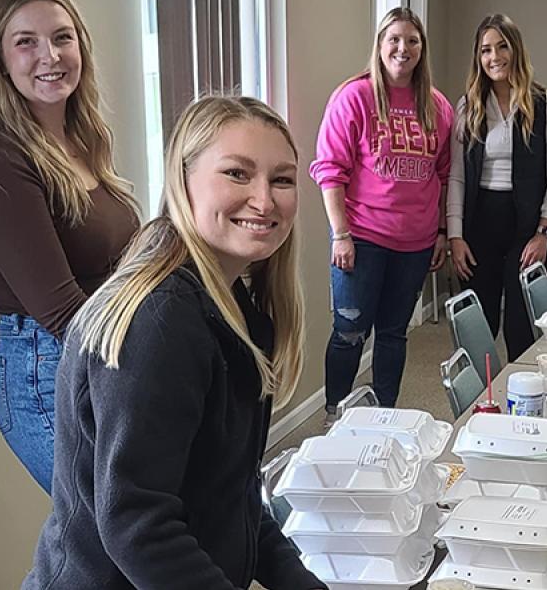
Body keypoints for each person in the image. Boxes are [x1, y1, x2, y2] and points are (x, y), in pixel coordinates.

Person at [22, 96, 324, 589]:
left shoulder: (233, 308)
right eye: (237, 173)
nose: (265, 200)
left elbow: (235, 500)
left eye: (282, 179)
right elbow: (138, 524)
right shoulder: (161, 321)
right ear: (183, 182)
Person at [0, 0, 139, 492]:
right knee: (107, 530)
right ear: (1, 59)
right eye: (26, 42)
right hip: (47, 372)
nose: (50, 56)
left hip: (100, 353)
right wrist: (155, 355)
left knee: (127, 526)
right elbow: (62, 312)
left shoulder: (82, 136)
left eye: (62, 37)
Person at [309, 7, 453, 420]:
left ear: (422, 49)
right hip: (362, 238)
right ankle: (335, 415)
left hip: (416, 242)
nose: (402, 48)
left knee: (393, 334)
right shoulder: (354, 97)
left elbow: (444, 174)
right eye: (394, 39)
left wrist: (441, 231)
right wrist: (340, 234)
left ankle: (383, 417)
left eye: (412, 41)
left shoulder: (438, 107)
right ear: (380, 45)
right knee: (350, 331)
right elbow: (329, 170)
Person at [447, 13, 547, 361]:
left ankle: (523, 391)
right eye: (485, 50)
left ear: (516, 50)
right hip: (479, 228)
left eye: (502, 47)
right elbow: (456, 176)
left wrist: (543, 233)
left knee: (523, 330)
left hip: (527, 229)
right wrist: (455, 236)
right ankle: (482, 396)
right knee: (477, 332)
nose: (494, 57)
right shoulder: (468, 107)